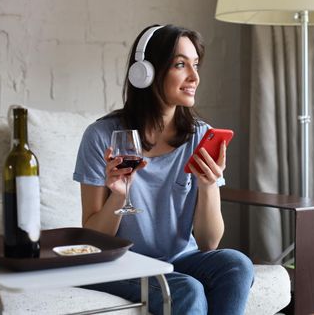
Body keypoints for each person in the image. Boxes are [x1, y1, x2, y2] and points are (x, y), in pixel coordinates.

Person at [73, 24, 254, 315]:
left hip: (179, 260)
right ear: (145, 72)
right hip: (120, 264)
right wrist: (118, 197)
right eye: (181, 65)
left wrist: (208, 185)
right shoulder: (101, 136)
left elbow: (209, 242)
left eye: (195, 65)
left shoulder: (200, 136)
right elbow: (93, 242)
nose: (194, 77)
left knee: (237, 264)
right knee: (186, 289)